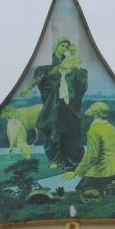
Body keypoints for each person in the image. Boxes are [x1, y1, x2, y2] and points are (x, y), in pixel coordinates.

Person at [20, 35, 88, 171]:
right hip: (52, 103)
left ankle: (71, 159)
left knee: (69, 130)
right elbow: (40, 78)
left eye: (67, 47)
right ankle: (54, 159)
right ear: (56, 46)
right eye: (62, 46)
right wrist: (27, 90)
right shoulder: (47, 64)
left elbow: (78, 83)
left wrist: (75, 70)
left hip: (67, 104)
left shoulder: (70, 63)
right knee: (52, 128)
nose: (65, 49)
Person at [61, 101, 115, 203]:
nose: (90, 106)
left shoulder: (94, 130)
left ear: (96, 112)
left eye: (92, 106)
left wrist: (76, 172)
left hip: (105, 170)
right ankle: (110, 188)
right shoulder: (113, 128)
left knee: (81, 187)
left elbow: (92, 156)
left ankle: (107, 193)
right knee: (96, 182)